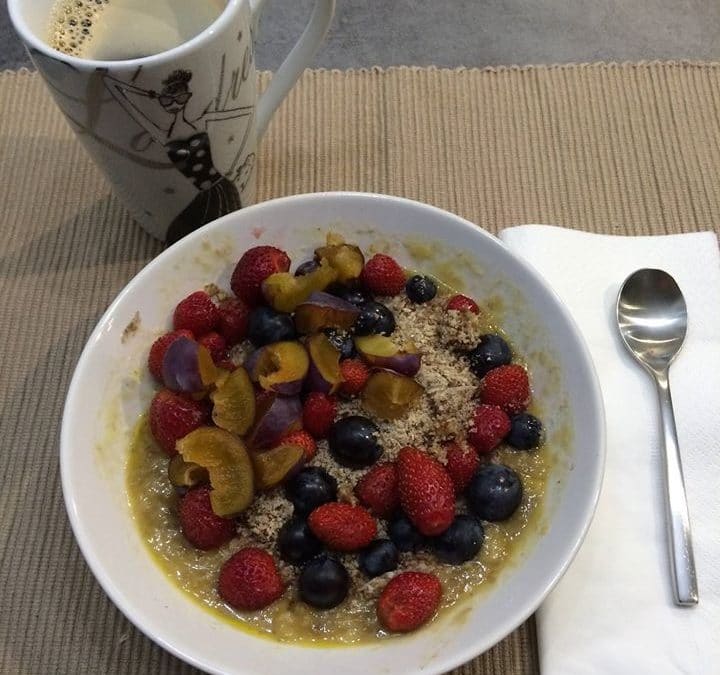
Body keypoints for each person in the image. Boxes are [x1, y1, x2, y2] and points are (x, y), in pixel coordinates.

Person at [104, 69, 254, 243]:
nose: (174, 105)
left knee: (227, 233)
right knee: (187, 234)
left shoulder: (201, 121)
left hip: (220, 188)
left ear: (188, 97)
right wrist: (145, 93)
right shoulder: (162, 134)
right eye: (167, 101)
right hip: (203, 195)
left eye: (180, 98)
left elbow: (244, 113)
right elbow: (111, 85)